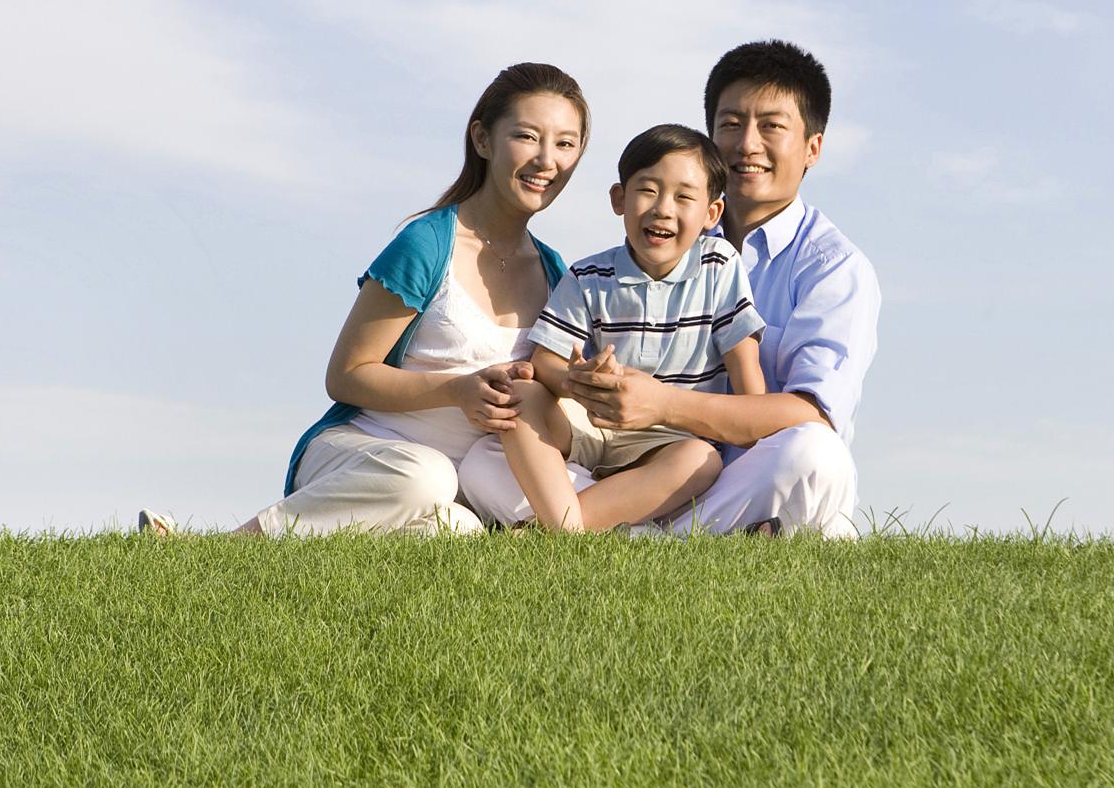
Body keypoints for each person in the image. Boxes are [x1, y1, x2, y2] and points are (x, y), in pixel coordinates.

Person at [138, 62, 591, 536]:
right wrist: (457, 390)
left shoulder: (555, 271)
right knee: (424, 477)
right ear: (482, 140)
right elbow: (346, 375)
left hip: (464, 490)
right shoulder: (428, 244)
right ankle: (228, 547)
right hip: (367, 458)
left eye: (565, 143)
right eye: (527, 137)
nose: (547, 160)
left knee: (458, 532)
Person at [462, 40, 879, 535]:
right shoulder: (652, 245)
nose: (747, 143)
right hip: (620, 458)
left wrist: (663, 404)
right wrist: (585, 381)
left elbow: (813, 413)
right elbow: (557, 362)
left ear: (813, 146)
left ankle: (607, 535)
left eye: (771, 126)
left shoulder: (833, 267)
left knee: (814, 454)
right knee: (486, 452)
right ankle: (615, 530)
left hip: (731, 472)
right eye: (730, 124)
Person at [500, 124, 766, 531]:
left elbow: (749, 382)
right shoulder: (589, 274)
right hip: (592, 420)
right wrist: (577, 381)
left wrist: (751, 446)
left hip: (667, 440)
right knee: (519, 396)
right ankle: (563, 526)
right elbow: (545, 360)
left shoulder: (719, 266)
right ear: (619, 198)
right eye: (648, 189)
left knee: (701, 461)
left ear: (712, 213)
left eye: (683, 197)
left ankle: (552, 529)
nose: (663, 208)